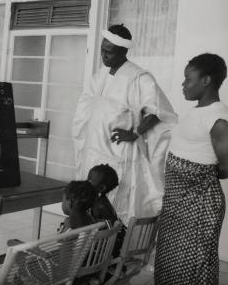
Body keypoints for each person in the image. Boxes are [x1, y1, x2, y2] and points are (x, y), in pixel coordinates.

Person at [72, 24, 177, 225]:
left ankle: (114, 242)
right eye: (102, 50)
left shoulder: (139, 77)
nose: (104, 56)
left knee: (114, 202)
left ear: (123, 51)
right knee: (89, 200)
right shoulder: (100, 75)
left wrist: (135, 133)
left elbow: (158, 110)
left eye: (109, 52)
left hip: (118, 152)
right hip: (93, 149)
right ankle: (90, 246)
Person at [154, 53, 228, 285]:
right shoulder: (198, 111)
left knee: (194, 267)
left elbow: (226, 165)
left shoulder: (218, 118)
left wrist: (196, 177)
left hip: (198, 206)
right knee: (171, 263)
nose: (183, 84)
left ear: (206, 80)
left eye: (188, 79)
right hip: (178, 202)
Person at [88, 164, 126, 256]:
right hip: (107, 251)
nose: (86, 183)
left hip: (100, 255)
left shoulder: (99, 206)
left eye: (89, 180)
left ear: (101, 188)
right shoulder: (102, 202)